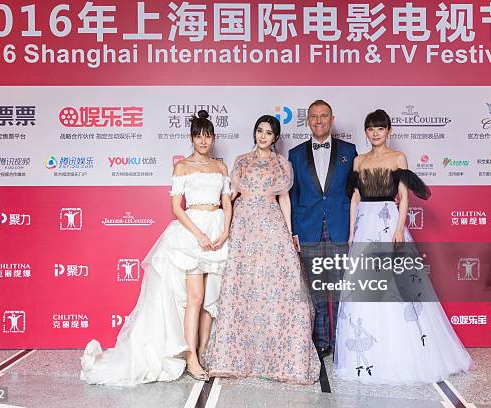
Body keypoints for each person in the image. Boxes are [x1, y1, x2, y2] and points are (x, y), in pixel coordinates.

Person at [80, 110, 231, 385]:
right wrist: (198, 234)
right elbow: (176, 207)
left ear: (213, 138)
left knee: (212, 300)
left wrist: (224, 232)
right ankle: (191, 358)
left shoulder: (221, 168)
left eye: (208, 136)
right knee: (194, 298)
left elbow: (227, 202)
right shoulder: (182, 167)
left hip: (218, 232)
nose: (204, 141)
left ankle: (205, 352)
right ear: (192, 138)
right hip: (191, 233)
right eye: (199, 136)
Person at [334, 109, 472, 384]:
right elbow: (355, 199)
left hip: (389, 225)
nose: (375, 133)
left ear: (389, 131)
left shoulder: (398, 158)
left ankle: (405, 353)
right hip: (364, 226)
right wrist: (352, 232)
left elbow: (404, 197)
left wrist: (398, 228)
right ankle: (371, 355)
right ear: (366, 132)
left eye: (380, 128)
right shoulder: (359, 161)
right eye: (371, 129)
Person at [205, 115, 320, 385]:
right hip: (244, 226)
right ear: (254, 133)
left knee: (278, 285)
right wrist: (217, 216)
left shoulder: (282, 164)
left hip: (270, 225)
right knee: (243, 285)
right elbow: (231, 195)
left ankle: (280, 357)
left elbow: (284, 200)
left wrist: (290, 232)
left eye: (269, 132)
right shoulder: (242, 161)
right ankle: (233, 357)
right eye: (260, 131)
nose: (263, 136)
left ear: (276, 137)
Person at [288, 100, 358, 357]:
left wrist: (355, 228)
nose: (319, 120)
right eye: (314, 116)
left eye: (324, 116)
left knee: (341, 289)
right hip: (308, 230)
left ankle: (341, 340)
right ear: (307, 121)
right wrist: (294, 230)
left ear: (332, 119)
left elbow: (355, 193)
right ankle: (320, 342)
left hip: (339, 228)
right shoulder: (295, 154)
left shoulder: (349, 151)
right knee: (316, 290)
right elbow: (293, 196)